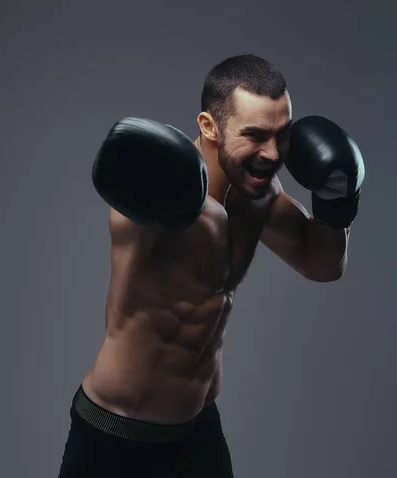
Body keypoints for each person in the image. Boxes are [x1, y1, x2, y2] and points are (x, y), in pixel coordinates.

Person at [57, 54, 365, 478]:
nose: (272, 154)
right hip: (117, 435)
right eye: (255, 135)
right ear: (208, 126)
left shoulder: (260, 198)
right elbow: (126, 198)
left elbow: (322, 265)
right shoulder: (162, 193)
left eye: (282, 135)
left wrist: (338, 202)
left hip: (197, 434)